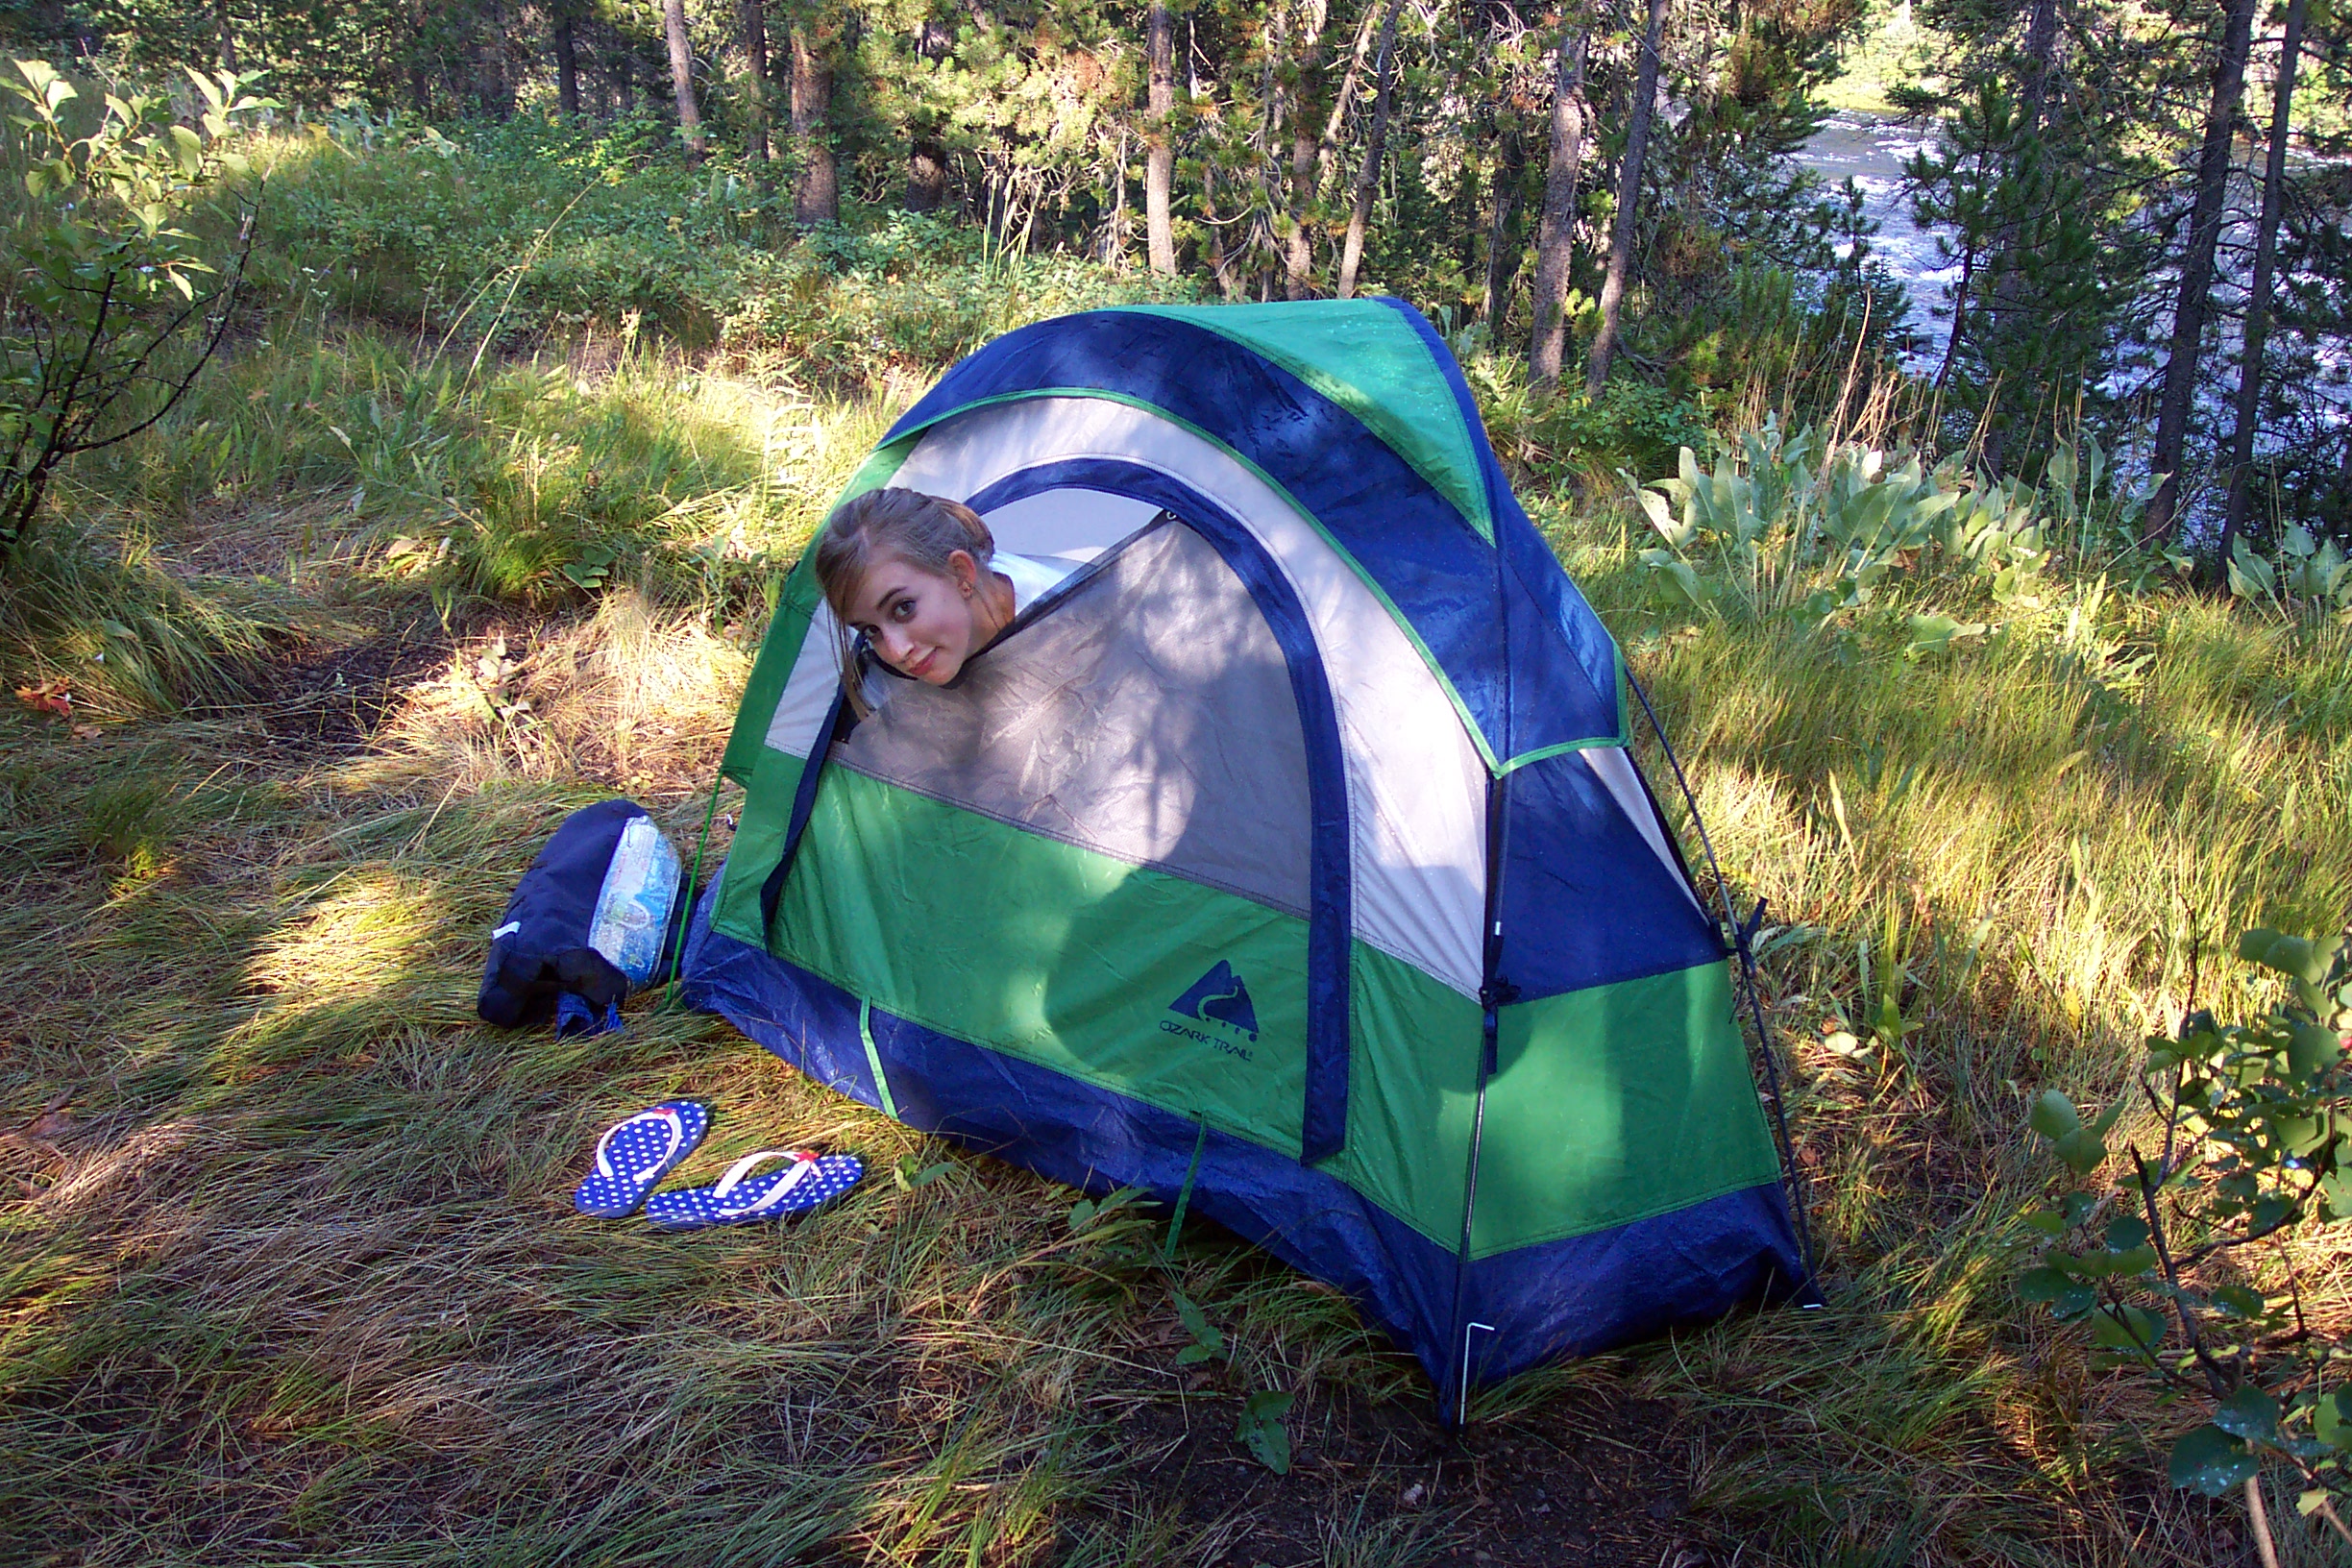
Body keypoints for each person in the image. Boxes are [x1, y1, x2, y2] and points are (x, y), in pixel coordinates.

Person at [812, 487, 1075, 713]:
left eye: (904, 608)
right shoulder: (883, 687)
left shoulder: (1072, 620)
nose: (897, 651)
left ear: (960, 573)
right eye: (871, 630)